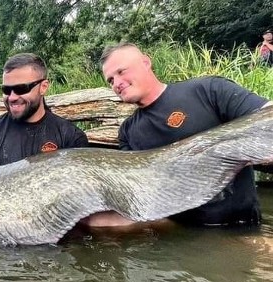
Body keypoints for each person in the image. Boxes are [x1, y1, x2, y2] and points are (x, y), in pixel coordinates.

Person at [98, 42, 271, 227]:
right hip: (179, 234)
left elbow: (267, 114)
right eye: (110, 80)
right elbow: (136, 192)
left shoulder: (207, 89)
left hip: (242, 226)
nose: (116, 83)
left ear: (146, 62)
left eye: (121, 71)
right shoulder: (127, 131)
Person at [0, 53, 88, 169]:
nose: (12, 97)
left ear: (43, 87)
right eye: (6, 90)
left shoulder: (71, 138)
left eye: (21, 88)